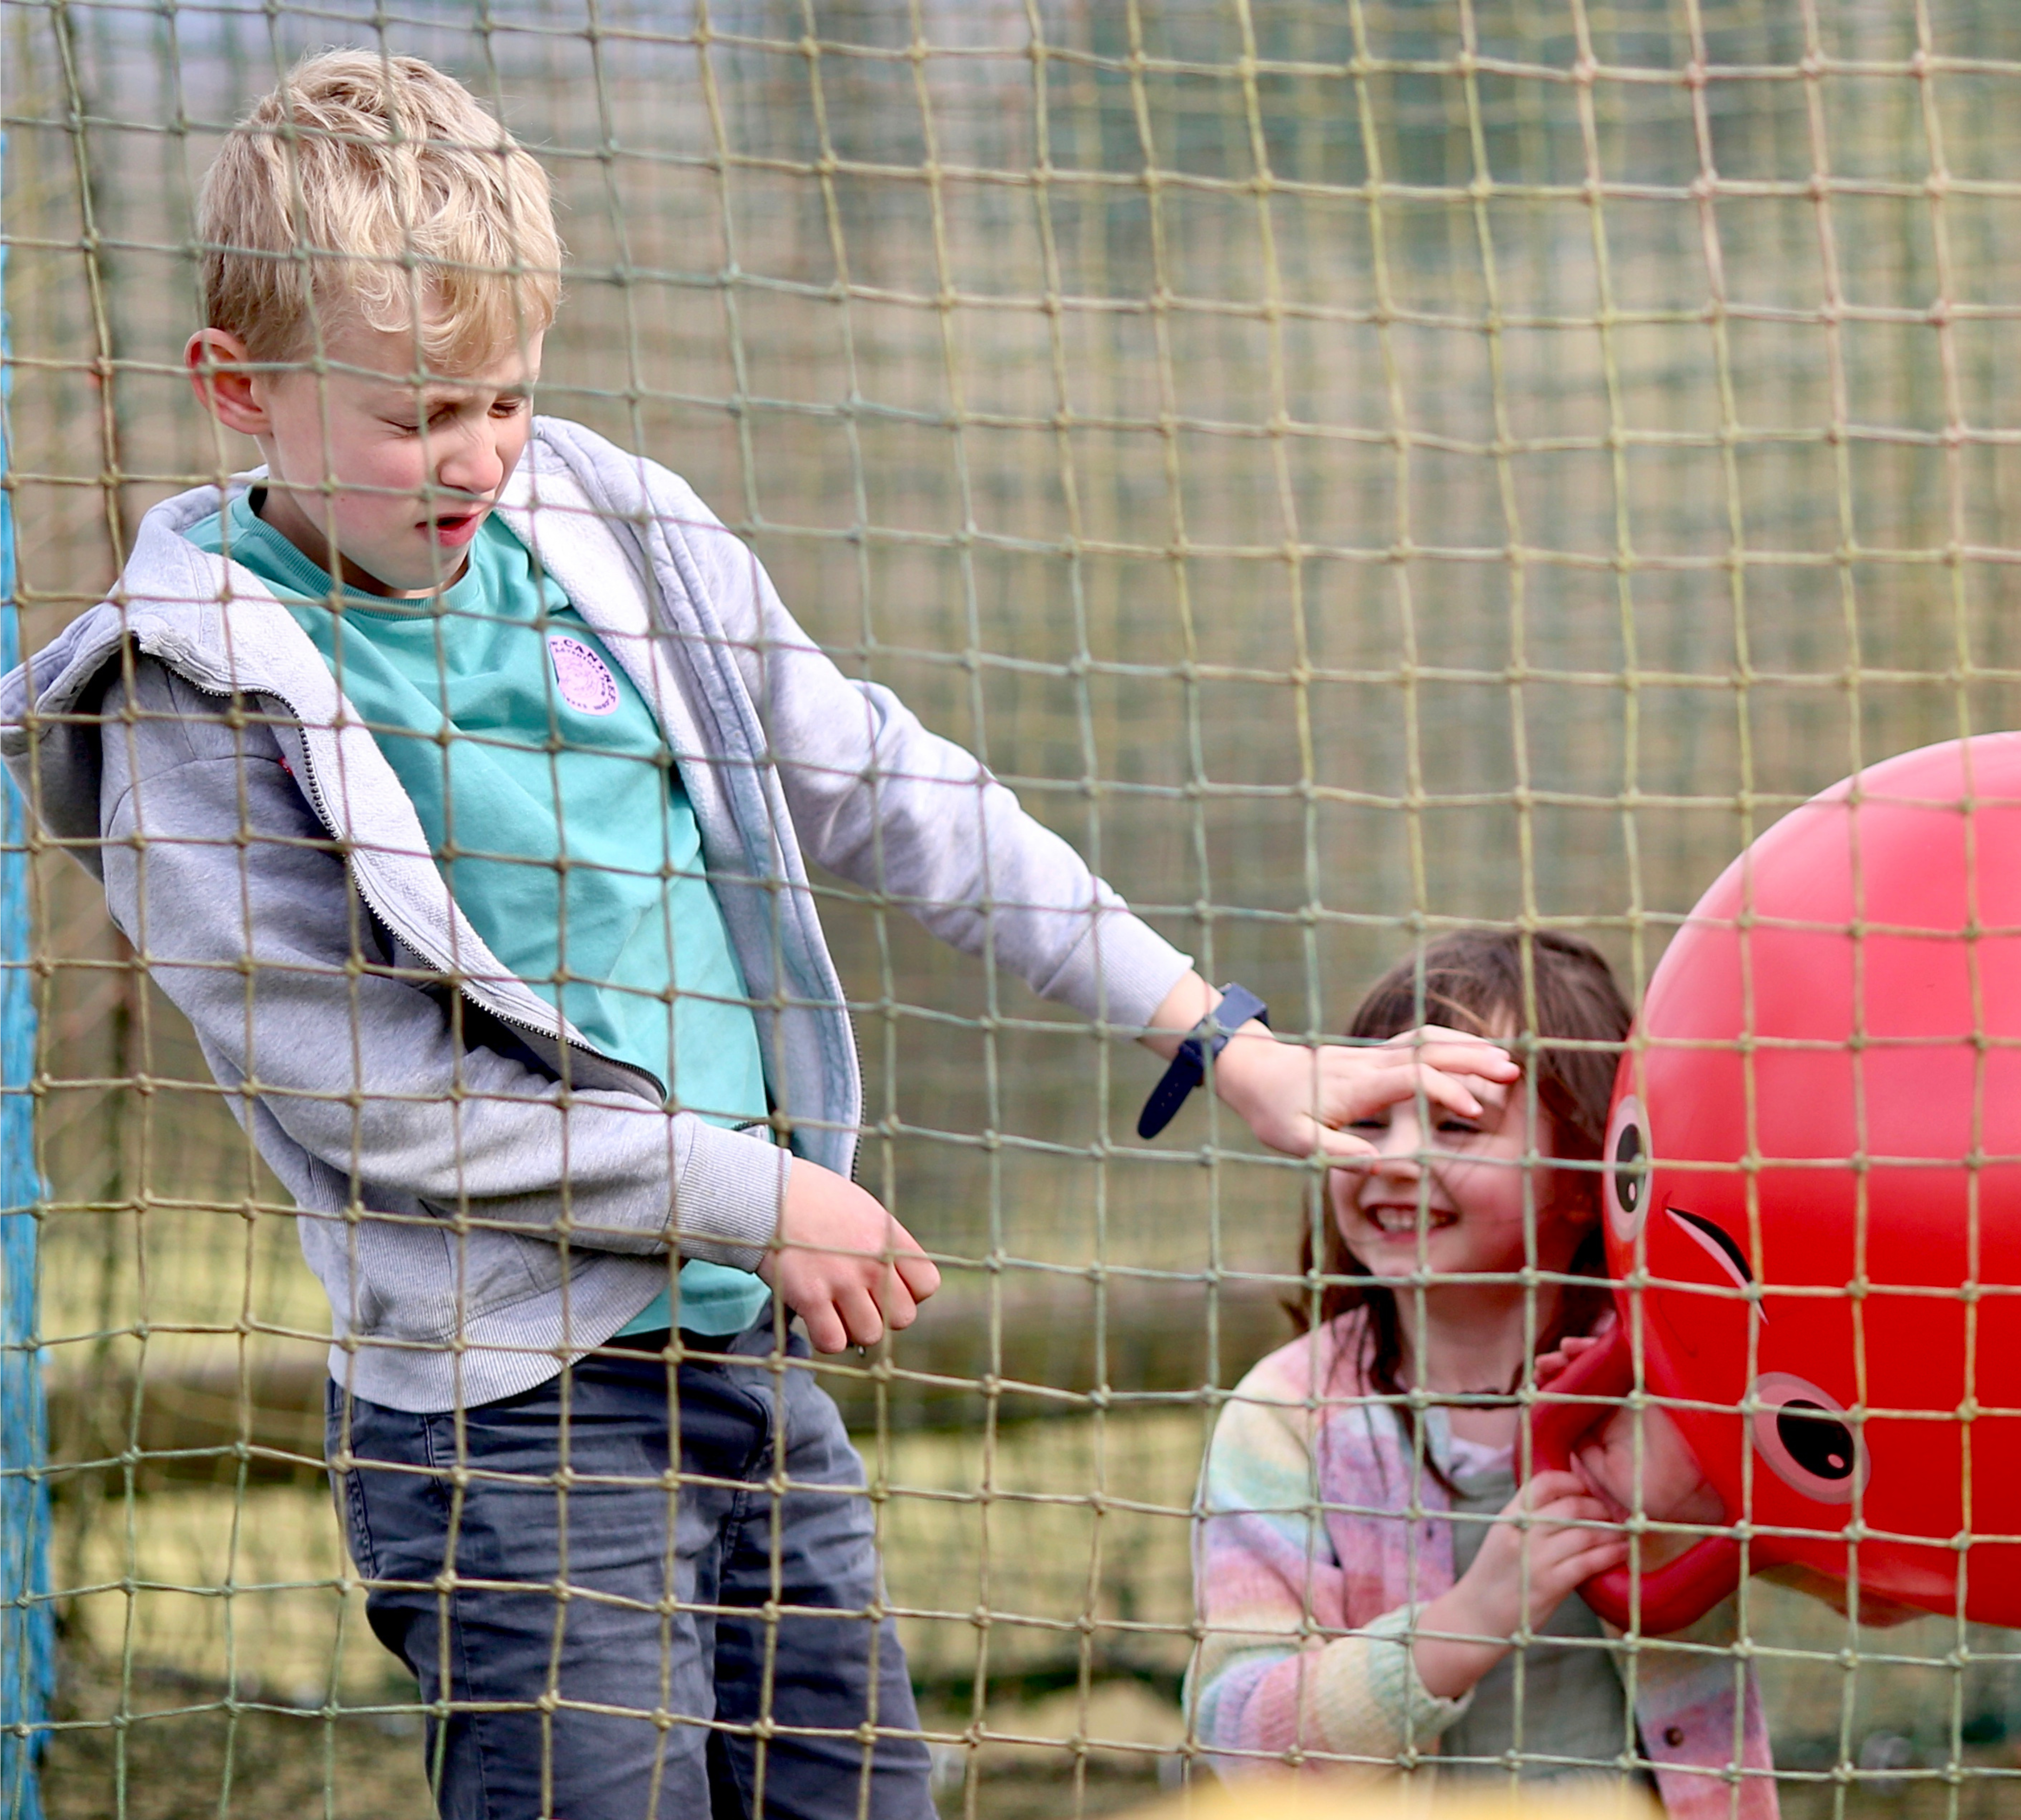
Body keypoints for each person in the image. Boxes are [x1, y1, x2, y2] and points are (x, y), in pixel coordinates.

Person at [0, 51, 1515, 1820]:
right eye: (419, 417)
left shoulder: (611, 526)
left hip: (743, 1353)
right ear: (237, 387)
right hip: (512, 1427)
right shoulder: (191, 692)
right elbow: (382, 1102)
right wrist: (755, 1188)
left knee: (858, 1792)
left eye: (505, 394)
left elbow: (887, 781)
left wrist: (1219, 1038)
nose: (478, 454)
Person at [1187, 930, 1778, 1818]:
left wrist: (1689, 1488)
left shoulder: (1672, 1378)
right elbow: (1240, 1739)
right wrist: (1468, 1620)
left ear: (1587, 1179)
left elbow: (1850, 1566)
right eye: (1369, 1116)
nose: (1393, 1158)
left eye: (1457, 1125)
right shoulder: (1283, 1416)